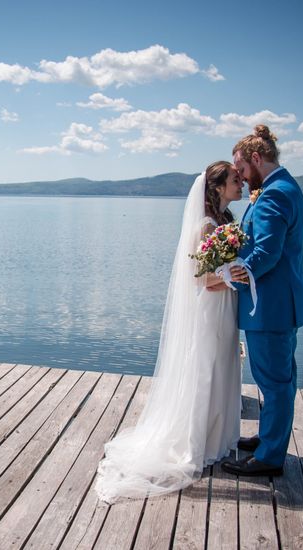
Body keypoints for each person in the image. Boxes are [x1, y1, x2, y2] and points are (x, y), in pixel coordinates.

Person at [94, 161, 244, 503]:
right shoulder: (206, 227)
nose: (242, 185)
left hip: (226, 309)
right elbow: (203, 280)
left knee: (221, 368)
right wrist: (233, 277)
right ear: (218, 187)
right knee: (204, 371)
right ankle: (195, 442)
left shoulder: (228, 222)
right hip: (210, 311)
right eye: (235, 180)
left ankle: (217, 438)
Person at [224, 125, 303, 477]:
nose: (242, 179)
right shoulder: (282, 187)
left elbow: (267, 252)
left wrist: (235, 272)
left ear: (257, 159)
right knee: (276, 379)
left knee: (274, 382)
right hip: (279, 304)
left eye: (242, 169)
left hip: (269, 306)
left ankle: (270, 457)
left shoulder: (274, 194)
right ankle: (267, 438)